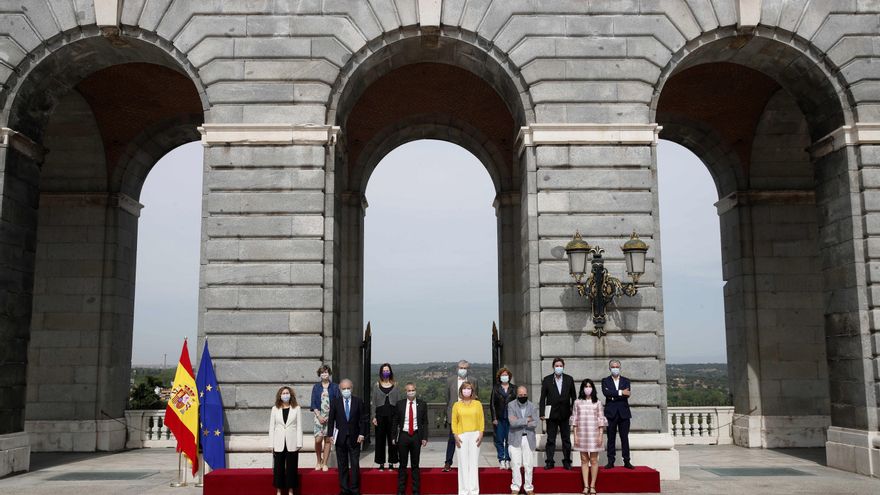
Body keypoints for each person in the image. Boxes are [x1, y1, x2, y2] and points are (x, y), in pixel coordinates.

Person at [327, 379, 369, 495]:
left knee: (355, 464)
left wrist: (362, 434)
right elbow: (331, 420)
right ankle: (344, 490)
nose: (346, 390)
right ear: (340, 390)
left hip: (355, 438)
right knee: (342, 465)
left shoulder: (358, 401)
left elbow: (363, 419)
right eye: (344, 388)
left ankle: (355, 489)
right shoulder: (335, 402)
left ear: (352, 389)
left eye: (348, 388)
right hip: (340, 438)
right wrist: (330, 435)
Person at [539, 357, 576, 470]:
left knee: (566, 439)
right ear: (553, 367)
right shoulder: (547, 380)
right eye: (556, 366)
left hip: (565, 414)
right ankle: (550, 461)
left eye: (560, 366)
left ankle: (567, 461)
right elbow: (542, 398)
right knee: (551, 439)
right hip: (551, 414)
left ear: (563, 367)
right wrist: (542, 413)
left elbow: (573, 397)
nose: (558, 368)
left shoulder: (569, 379)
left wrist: (573, 412)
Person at [572, 379, 607, 495]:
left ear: (593, 388)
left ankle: (593, 485)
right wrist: (575, 435)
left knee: (593, 460)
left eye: (590, 386)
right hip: (582, 434)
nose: (588, 388)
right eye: (586, 386)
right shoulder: (577, 402)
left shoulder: (597, 402)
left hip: (594, 433)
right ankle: (586, 486)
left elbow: (601, 420)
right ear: (582, 388)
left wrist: (601, 435)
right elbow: (574, 420)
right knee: (584, 460)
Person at [392, 382, 429, 495]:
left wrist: (424, 437)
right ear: (406, 392)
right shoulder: (400, 404)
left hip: (416, 436)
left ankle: (416, 491)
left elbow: (425, 422)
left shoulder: (422, 404)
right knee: (402, 464)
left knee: (415, 464)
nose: (411, 392)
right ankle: (400, 491)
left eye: (413, 390)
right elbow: (395, 421)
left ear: (416, 390)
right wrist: (393, 436)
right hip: (403, 436)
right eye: (409, 390)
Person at [444, 360, 480, 472]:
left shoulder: (473, 381)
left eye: (465, 368)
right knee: (452, 438)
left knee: (469, 438)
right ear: (457, 368)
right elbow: (447, 398)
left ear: (468, 369)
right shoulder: (450, 380)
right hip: (454, 413)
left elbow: (476, 396)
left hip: (469, 414)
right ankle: (448, 462)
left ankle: (468, 463)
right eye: (461, 367)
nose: (462, 370)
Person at [269, 386, 304, 495]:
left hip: (292, 442)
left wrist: (299, 442)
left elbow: (299, 426)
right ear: (280, 395)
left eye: (287, 393)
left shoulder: (297, 408)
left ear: (291, 395)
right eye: (283, 393)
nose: (285, 395)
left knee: (291, 468)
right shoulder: (275, 409)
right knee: (278, 468)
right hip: (278, 442)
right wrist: (271, 444)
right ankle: (279, 491)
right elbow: (271, 427)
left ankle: (290, 490)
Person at [452, 381, 483, 495]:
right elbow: (454, 421)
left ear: (472, 391)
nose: (467, 391)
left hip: (475, 434)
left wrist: (481, 433)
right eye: (464, 389)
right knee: (463, 464)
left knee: (473, 463)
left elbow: (481, 419)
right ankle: (464, 491)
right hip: (461, 435)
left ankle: (474, 490)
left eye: (469, 388)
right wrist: (455, 434)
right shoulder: (457, 405)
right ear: (461, 391)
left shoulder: (477, 404)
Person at [601, 359, 633, 469]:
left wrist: (614, 395)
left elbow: (627, 394)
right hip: (611, 414)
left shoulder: (626, 380)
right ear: (610, 368)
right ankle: (611, 461)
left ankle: (627, 460)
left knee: (625, 438)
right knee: (611, 438)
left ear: (620, 368)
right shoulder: (605, 380)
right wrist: (620, 392)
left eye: (617, 367)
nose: (615, 368)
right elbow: (606, 393)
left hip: (624, 414)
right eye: (613, 367)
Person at [507, 385, 537, 495]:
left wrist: (520, 420)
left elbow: (535, 423)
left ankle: (529, 487)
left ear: (527, 394)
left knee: (529, 464)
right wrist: (527, 420)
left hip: (528, 438)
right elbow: (512, 423)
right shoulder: (511, 405)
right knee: (515, 463)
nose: (522, 396)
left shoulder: (532, 406)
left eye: (524, 395)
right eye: (520, 395)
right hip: (515, 438)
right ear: (517, 395)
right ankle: (516, 487)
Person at [371, 362, 401, 470]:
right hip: (380, 416)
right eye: (384, 371)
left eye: (387, 370)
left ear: (390, 372)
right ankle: (381, 463)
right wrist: (373, 416)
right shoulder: (376, 385)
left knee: (392, 440)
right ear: (381, 372)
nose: (386, 372)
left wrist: (399, 418)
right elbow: (373, 402)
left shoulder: (396, 385)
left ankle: (392, 462)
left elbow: (398, 402)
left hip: (392, 416)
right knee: (380, 440)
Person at [310, 364, 340, 471]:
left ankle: (325, 463)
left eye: (326, 372)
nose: (324, 374)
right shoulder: (316, 387)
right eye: (322, 372)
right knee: (318, 440)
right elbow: (313, 403)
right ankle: (318, 460)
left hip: (330, 417)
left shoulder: (335, 387)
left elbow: (337, 402)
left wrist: (331, 416)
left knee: (327, 440)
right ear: (320, 374)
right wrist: (319, 416)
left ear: (329, 374)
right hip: (319, 416)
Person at [491, 367, 516, 469]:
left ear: (509, 377)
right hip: (500, 418)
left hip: (510, 418)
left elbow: (518, 403)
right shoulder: (496, 388)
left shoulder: (514, 388)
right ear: (499, 377)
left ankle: (508, 460)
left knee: (510, 440)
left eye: (506, 375)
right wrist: (494, 418)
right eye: (502, 375)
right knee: (499, 440)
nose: (504, 377)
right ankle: (501, 459)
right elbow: (492, 404)